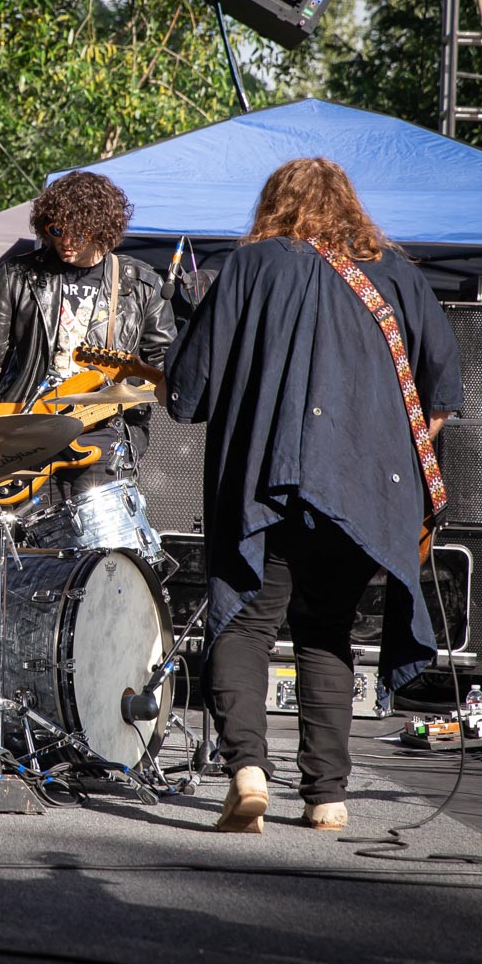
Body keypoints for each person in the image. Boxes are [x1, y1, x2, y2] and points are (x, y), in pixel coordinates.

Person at [161, 158, 464, 834]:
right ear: (350, 206)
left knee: (244, 622)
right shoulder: (397, 273)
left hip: (267, 484)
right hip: (360, 492)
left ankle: (247, 771)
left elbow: (187, 394)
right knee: (326, 633)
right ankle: (326, 796)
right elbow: (442, 395)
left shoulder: (249, 266)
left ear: (274, 204)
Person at [0, 171, 176, 501]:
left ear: (102, 228)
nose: (65, 241)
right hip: (29, 424)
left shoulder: (139, 284)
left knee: (100, 547)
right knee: (33, 550)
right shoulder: (20, 276)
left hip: (105, 432)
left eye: (78, 231)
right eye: (55, 230)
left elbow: (166, 363)